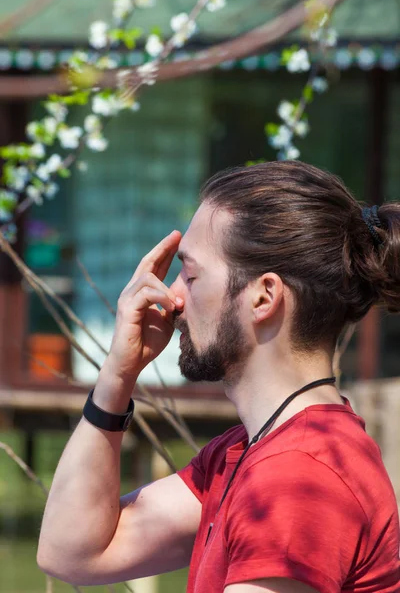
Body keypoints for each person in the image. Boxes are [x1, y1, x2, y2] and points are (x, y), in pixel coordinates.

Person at [37, 161, 400, 593]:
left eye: (190, 274)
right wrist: (119, 372)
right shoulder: (245, 453)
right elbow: (72, 552)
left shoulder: (297, 479)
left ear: (264, 297)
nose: (172, 296)